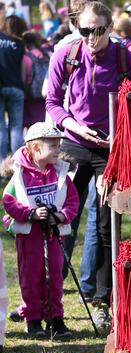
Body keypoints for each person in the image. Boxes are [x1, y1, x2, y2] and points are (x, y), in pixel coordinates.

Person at [46, 1, 131, 331]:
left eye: (98, 30)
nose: (91, 37)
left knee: (107, 224)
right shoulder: (67, 54)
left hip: (111, 148)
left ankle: (102, 301)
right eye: (84, 30)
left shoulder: (127, 59)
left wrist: (125, 135)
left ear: (111, 28)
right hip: (74, 143)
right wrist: (73, 126)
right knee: (63, 220)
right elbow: (51, 100)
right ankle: (49, 298)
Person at [2, 123, 79, 339]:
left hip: (54, 235)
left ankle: (55, 319)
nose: (57, 150)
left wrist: (61, 216)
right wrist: (30, 214)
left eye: (58, 145)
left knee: (54, 275)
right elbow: (8, 201)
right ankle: (33, 319)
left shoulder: (60, 173)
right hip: (29, 237)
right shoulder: (19, 176)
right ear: (36, 148)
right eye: (53, 146)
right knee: (31, 276)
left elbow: (72, 200)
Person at [0, 15, 27, 160]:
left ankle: (1, 164)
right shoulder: (19, 44)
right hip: (16, 87)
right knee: (16, 126)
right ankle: (17, 163)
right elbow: (22, 69)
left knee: (0, 127)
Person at [20, 31, 50, 130]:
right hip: (46, 95)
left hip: (31, 97)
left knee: (33, 128)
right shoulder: (47, 54)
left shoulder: (26, 58)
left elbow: (25, 79)